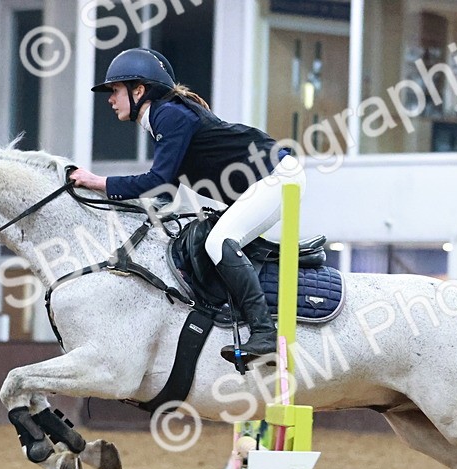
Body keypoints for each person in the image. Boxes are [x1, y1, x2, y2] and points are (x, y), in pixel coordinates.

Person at [68, 48, 305, 364]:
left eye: (115, 90)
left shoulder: (170, 115)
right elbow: (166, 191)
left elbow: (157, 181)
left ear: (139, 90)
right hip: (268, 178)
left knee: (219, 242)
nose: (110, 99)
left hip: (279, 177)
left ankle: (264, 333)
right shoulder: (161, 119)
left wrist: (97, 182)